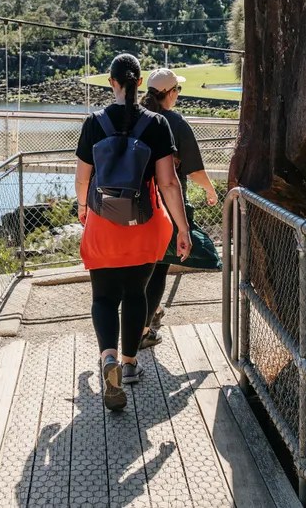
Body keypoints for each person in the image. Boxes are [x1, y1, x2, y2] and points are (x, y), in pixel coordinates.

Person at [75, 53, 191, 411]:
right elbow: (169, 183)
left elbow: (82, 179)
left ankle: (108, 358)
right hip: (146, 225)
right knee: (136, 293)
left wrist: (83, 209)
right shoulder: (158, 124)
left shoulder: (94, 123)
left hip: (102, 224)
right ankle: (129, 365)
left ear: (112, 83)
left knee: (104, 298)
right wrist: (182, 228)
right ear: (139, 83)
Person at [139, 67, 220, 349]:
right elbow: (195, 170)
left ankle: (144, 321)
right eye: (178, 91)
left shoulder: (135, 117)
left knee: (140, 270)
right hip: (166, 208)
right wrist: (210, 189)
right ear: (171, 93)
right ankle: (142, 332)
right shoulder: (174, 122)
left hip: (132, 206)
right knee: (159, 268)